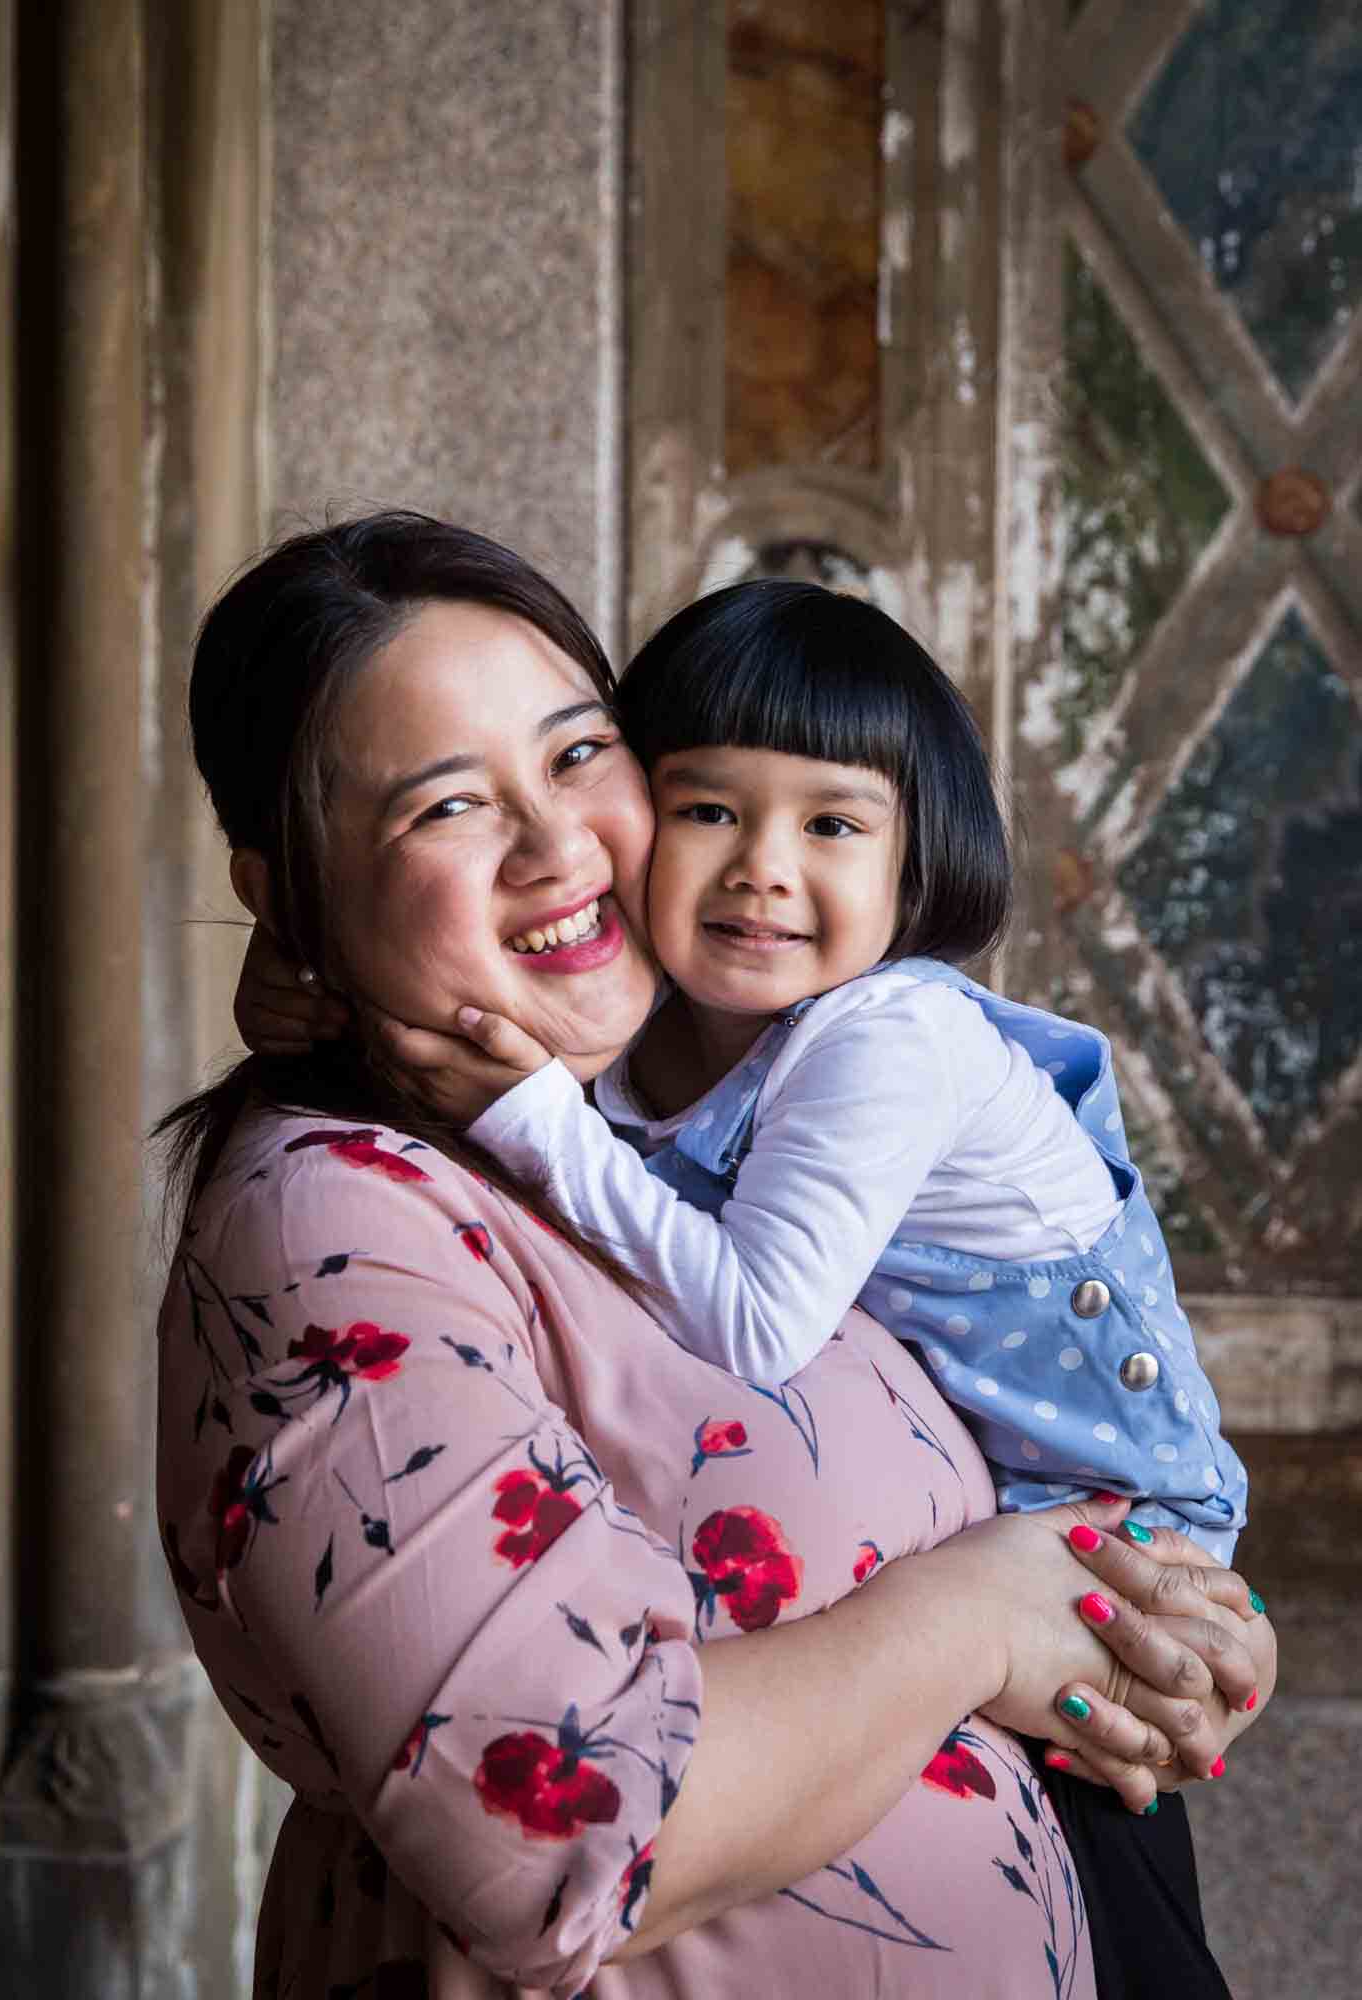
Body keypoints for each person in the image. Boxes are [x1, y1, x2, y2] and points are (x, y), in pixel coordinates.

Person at [163, 512, 1272, 2000]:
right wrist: (979, 1619)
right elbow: (560, 1843)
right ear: (286, 883)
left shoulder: (696, 1090)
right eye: (443, 809)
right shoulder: (336, 1228)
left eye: (573, 755)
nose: (561, 847)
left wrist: (1150, 1636)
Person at [353, 580, 1248, 1564]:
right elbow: (466, 1010)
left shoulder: (889, 1039)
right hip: (974, 1524)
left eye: (830, 826)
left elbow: (752, 1325)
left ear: (911, 860)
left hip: (1127, 1524)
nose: (761, 867)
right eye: (706, 809)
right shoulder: (660, 1010)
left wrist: (530, 1116)